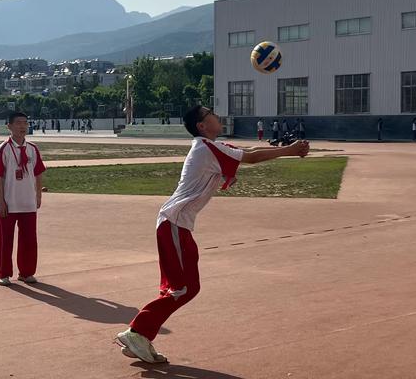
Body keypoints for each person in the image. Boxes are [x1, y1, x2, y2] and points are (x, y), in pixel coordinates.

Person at [115, 105, 309, 363]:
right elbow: (250, 157)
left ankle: (140, 336)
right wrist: (290, 150)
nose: (217, 117)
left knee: (188, 287)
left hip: (179, 226)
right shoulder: (206, 147)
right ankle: (138, 332)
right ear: (202, 126)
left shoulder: (210, 148)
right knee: (182, 288)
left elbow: (230, 166)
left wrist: (227, 176)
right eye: (211, 115)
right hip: (173, 222)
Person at [0, 112, 46, 286]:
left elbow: (38, 174)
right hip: (9, 202)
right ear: (9, 126)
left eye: (25, 123)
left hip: (28, 202)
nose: (22, 126)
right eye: (18, 123)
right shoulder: (3, 149)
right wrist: (2, 201)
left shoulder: (32, 148)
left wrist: (38, 195)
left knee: (29, 240)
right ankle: (4, 273)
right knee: (5, 240)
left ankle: (26, 272)